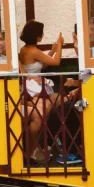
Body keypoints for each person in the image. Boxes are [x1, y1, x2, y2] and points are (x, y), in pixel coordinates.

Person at [18, 20, 77, 164]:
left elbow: (42, 65)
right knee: (55, 104)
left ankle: (50, 141)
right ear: (38, 35)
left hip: (37, 87)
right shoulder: (31, 50)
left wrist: (53, 49)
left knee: (62, 101)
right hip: (33, 89)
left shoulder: (28, 49)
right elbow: (55, 62)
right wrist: (60, 46)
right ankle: (39, 145)